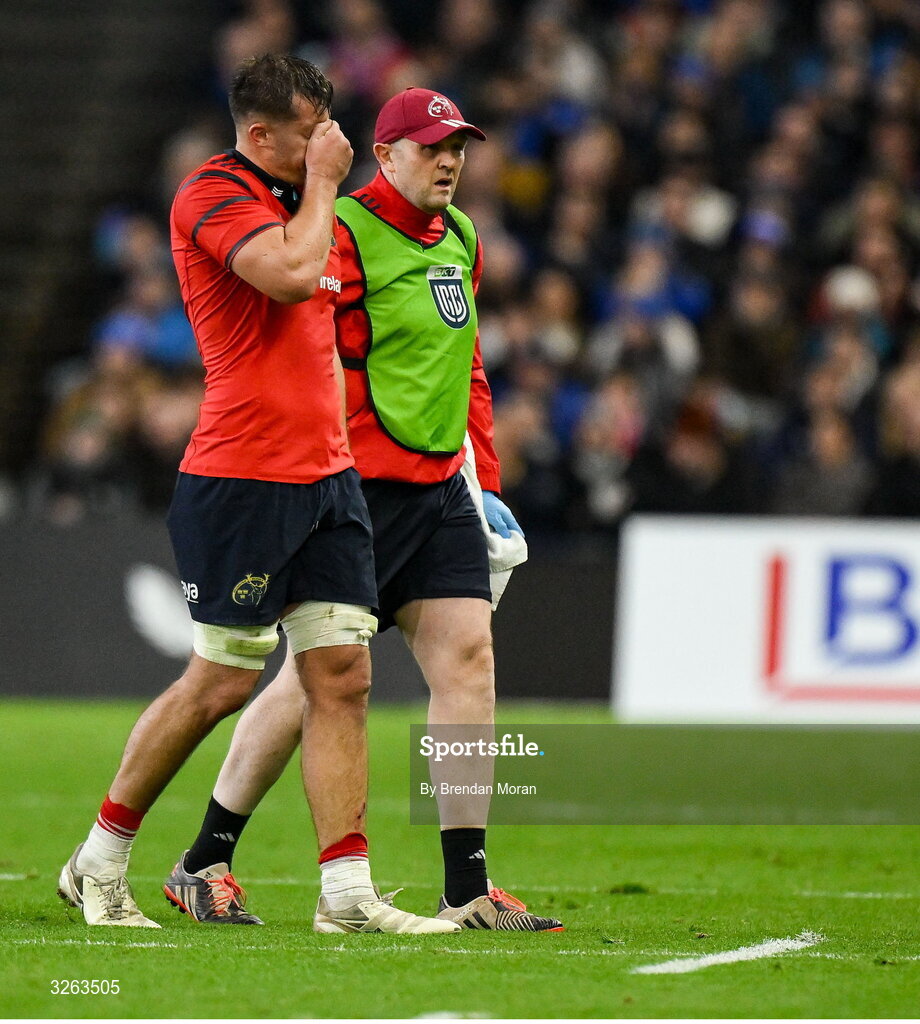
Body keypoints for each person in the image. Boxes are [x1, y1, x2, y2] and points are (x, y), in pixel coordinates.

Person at [57, 56, 457, 937]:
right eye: (312, 130)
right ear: (261, 135)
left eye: (330, 127)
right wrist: (322, 184)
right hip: (242, 474)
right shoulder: (213, 193)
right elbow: (284, 273)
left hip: (328, 475)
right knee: (223, 680)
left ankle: (346, 894)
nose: (330, 143)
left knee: (342, 676)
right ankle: (101, 858)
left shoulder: (302, 198)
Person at [164, 87, 563, 932]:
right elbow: (310, 356)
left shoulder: (460, 238)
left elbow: (469, 366)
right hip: (353, 489)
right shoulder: (341, 230)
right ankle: (206, 855)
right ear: (386, 155)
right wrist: (333, 463)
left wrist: (484, 481)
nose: (449, 160)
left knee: (469, 664)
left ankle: (467, 886)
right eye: (430, 147)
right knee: (313, 686)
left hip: (438, 490)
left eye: (457, 146)